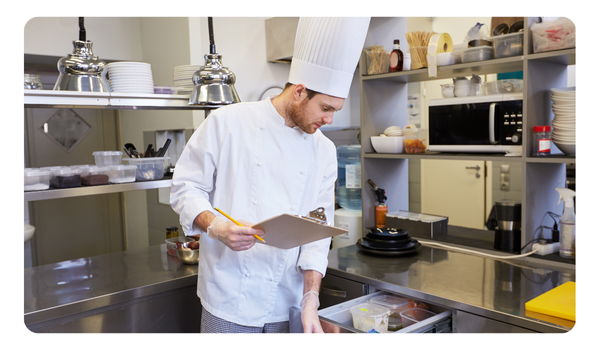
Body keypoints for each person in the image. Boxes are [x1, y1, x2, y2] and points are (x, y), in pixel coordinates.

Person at [170, 17, 370, 333]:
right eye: (325, 108)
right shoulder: (228, 123)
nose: (330, 119)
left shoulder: (324, 150)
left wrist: (310, 299)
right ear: (300, 92)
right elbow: (185, 188)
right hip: (229, 300)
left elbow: (317, 230)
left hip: (287, 301)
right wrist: (219, 227)